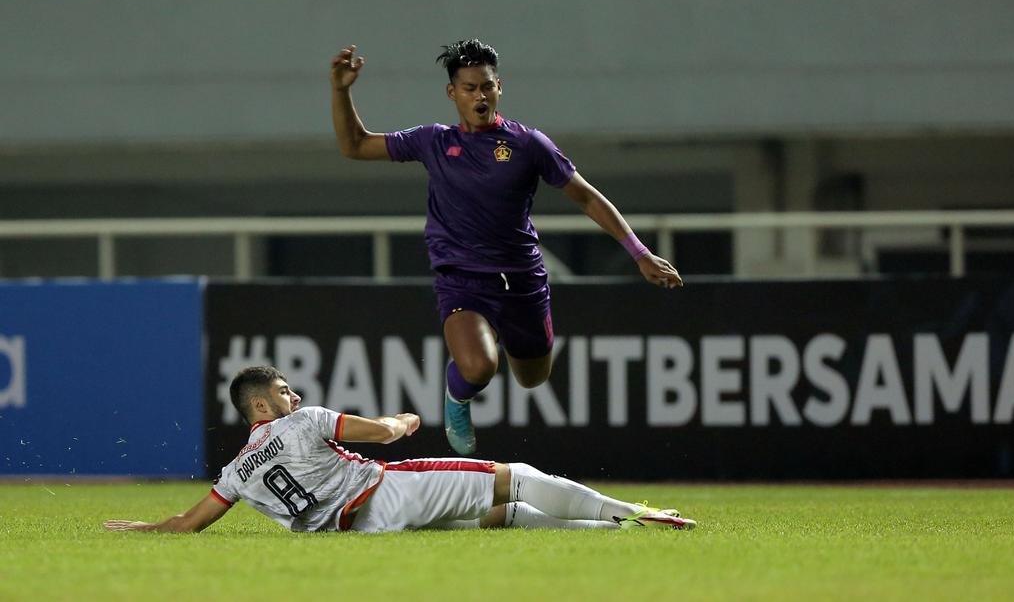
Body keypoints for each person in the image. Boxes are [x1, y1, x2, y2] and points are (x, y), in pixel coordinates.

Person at [329, 39, 683, 456]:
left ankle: (487, 356)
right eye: (470, 88)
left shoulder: (528, 144)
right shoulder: (432, 142)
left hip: (522, 281)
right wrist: (341, 90)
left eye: (487, 87)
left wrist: (640, 253)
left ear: (499, 87)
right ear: (452, 93)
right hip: (461, 280)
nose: (480, 96)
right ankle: (457, 396)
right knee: (479, 366)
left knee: (533, 378)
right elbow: (355, 145)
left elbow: (586, 196)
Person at [104, 367, 695, 534]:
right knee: (514, 475)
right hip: (386, 490)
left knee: (498, 515)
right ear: (260, 405)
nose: (294, 395)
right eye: (283, 390)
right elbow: (383, 434)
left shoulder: (236, 471)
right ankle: (637, 513)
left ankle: (612, 529)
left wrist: (145, 529)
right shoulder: (304, 421)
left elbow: (189, 523)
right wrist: (406, 419)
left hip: (355, 530)